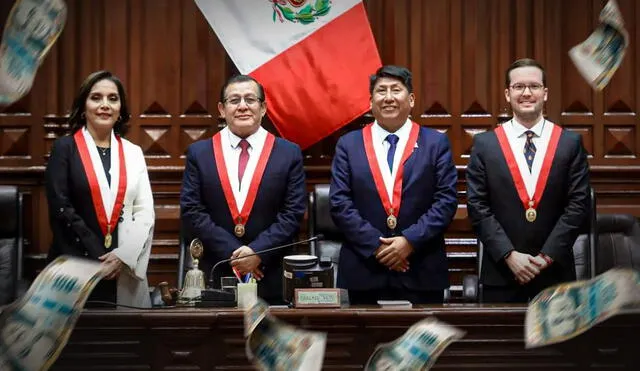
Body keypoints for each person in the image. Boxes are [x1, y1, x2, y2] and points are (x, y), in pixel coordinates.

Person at [329, 65, 458, 305]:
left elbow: (446, 201)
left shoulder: (435, 143)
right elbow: (339, 203)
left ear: (410, 99)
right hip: (364, 269)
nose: (388, 98)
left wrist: (408, 242)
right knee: (363, 342)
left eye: (396, 90)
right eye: (381, 91)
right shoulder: (349, 144)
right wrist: (378, 247)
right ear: (370, 101)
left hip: (421, 268)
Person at [466, 58, 590, 303]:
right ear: (507, 94)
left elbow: (578, 205)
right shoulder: (485, 145)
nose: (526, 93)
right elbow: (477, 207)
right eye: (518, 87)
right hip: (502, 274)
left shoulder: (569, 143)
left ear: (545, 94)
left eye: (533, 86)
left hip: (556, 276)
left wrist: (545, 258)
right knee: (502, 343)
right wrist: (510, 256)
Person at [180, 75, 306, 304]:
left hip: (270, 274)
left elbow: (293, 213)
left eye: (250, 99)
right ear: (221, 108)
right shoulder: (200, 153)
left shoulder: (288, 153)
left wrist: (257, 253)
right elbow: (192, 211)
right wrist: (237, 256)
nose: (242, 106)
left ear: (263, 108)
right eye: (234, 100)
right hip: (217, 274)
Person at [45, 71, 155, 308]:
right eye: (96, 97)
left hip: (122, 266)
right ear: (83, 107)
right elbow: (61, 207)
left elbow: (145, 212)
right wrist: (99, 258)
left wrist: (122, 257)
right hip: (76, 264)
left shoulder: (133, 152)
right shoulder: (64, 148)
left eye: (113, 98)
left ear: (120, 109)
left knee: (124, 342)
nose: (105, 105)